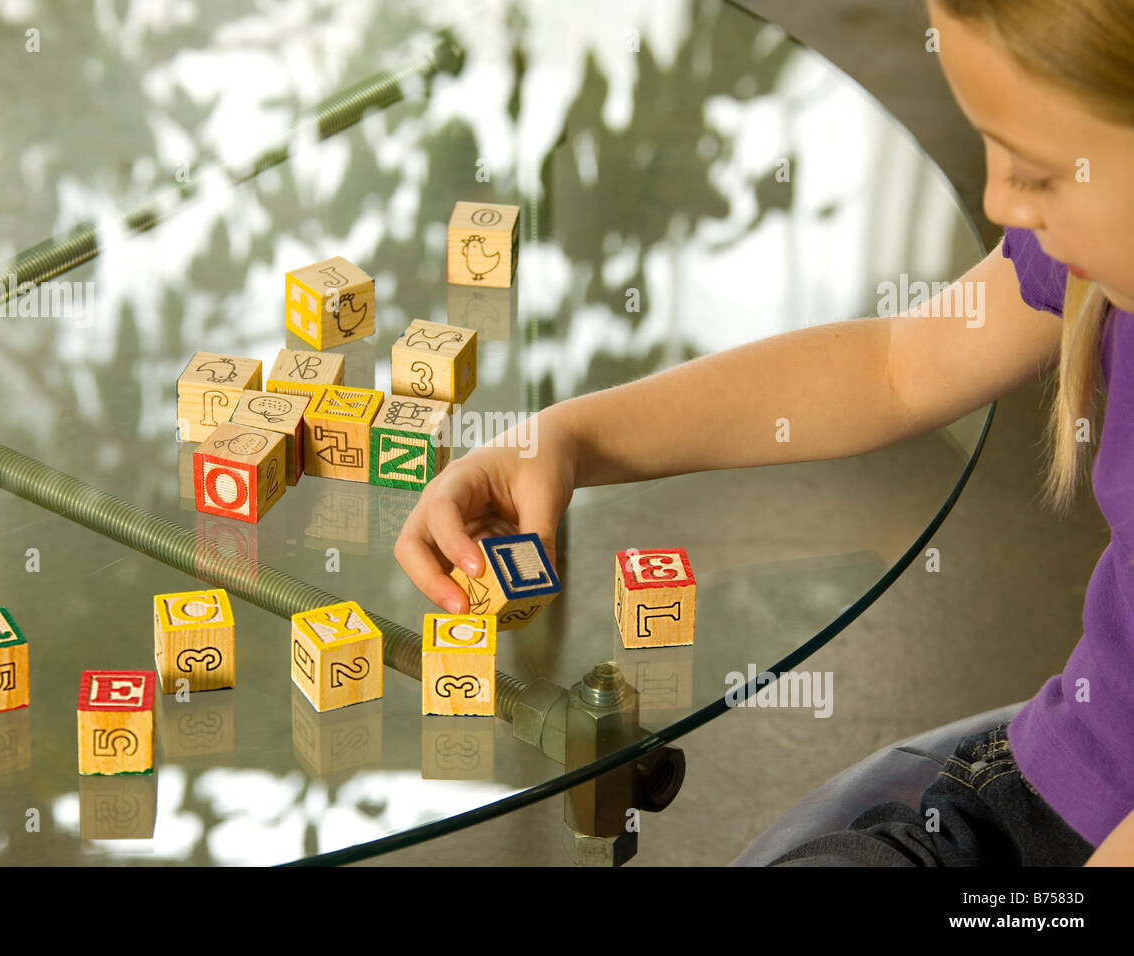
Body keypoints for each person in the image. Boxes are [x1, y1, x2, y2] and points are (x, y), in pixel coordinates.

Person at [394, 0, 1134, 865]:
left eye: (1040, 171)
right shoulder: (1094, 255)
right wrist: (563, 439)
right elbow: (892, 368)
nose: (997, 198)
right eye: (990, 144)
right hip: (1046, 797)